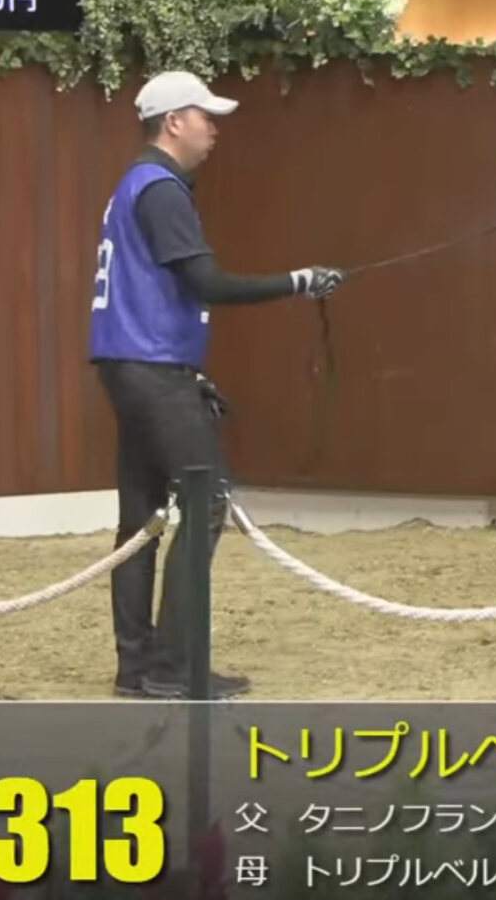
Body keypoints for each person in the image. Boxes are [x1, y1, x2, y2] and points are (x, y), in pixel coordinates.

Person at [89, 70, 346, 699]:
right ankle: (175, 667)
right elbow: (206, 284)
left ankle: (139, 666)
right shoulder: (161, 190)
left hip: (132, 364)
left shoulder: (137, 184)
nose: (214, 128)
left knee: (141, 521)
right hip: (152, 368)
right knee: (207, 502)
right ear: (174, 121)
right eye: (205, 116)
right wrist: (298, 281)